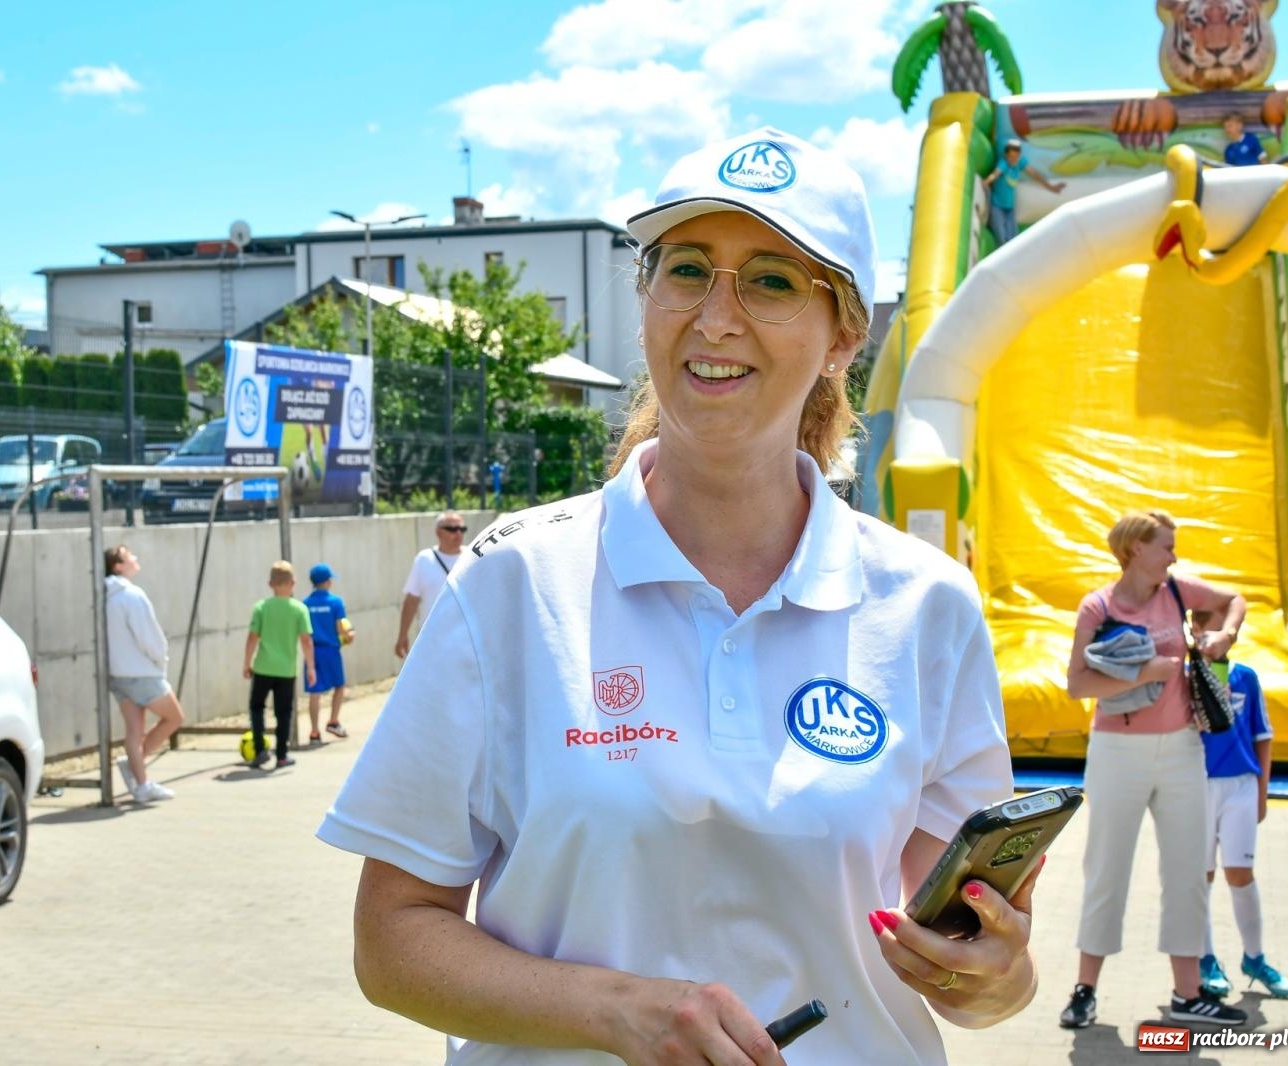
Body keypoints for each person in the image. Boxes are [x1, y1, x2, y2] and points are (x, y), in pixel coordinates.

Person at [318, 126, 1039, 1064]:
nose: (715, 317)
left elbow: (978, 976)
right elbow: (392, 943)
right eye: (687, 269)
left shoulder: (928, 607)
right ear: (647, 298)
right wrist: (621, 1011)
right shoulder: (510, 583)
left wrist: (996, 976)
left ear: (845, 337)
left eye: (773, 280)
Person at [1061, 510, 1249, 1029]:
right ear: (1135, 549)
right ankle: (1085, 989)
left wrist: (1223, 637)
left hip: (1183, 748)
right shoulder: (1097, 607)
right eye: (1165, 546)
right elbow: (1077, 684)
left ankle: (1188, 995)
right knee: (1106, 871)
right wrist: (1146, 672)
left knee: (1188, 870)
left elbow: (1235, 600)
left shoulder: (1178, 591)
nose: (1173, 555)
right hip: (1117, 751)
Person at [1187, 613, 1288, 1000]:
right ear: (1194, 631)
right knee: (1201, 877)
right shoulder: (1185, 677)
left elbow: (1263, 738)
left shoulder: (1246, 676)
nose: (1212, 634)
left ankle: (1255, 957)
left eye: (1221, 626)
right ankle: (1205, 960)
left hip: (1241, 788)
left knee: (1241, 873)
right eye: (1204, 625)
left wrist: (1261, 792)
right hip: (1196, 788)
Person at [103, 545, 185, 803]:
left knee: (134, 731)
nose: (135, 559)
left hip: (118, 674)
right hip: (142, 672)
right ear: (118, 566)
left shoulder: (105, 596)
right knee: (174, 718)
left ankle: (141, 782)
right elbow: (149, 637)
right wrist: (160, 659)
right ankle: (134, 769)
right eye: (129, 557)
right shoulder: (131, 595)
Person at [243, 560, 315, 770]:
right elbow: (306, 641)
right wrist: (310, 667)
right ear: (293, 583)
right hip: (286, 670)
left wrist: (246, 663)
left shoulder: (261, 607)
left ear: (270, 584)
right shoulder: (299, 609)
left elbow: (252, 638)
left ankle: (260, 750)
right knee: (283, 712)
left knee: (257, 707)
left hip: (263, 667)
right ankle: (282, 755)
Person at [394, 511, 466, 659]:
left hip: (465, 639)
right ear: (438, 532)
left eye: (462, 529)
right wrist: (402, 635)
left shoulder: (472, 557)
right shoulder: (424, 560)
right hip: (433, 640)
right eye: (452, 529)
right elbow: (412, 600)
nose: (458, 533)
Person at [983, 139, 1066, 247]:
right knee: (1001, 237)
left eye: (1016, 157)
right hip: (997, 205)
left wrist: (1051, 187)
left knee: (1013, 238)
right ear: (1006, 155)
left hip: (1009, 207)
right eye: (1011, 157)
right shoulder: (1003, 163)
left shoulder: (1020, 162)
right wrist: (986, 182)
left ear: (1019, 155)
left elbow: (1034, 174)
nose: (1014, 160)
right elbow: (996, 174)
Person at [303, 562, 352, 745]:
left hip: (312, 650)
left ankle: (314, 731)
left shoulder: (306, 603)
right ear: (327, 581)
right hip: (331, 650)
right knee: (339, 685)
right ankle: (333, 721)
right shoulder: (335, 602)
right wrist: (349, 635)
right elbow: (341, 628)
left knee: (314, 692)